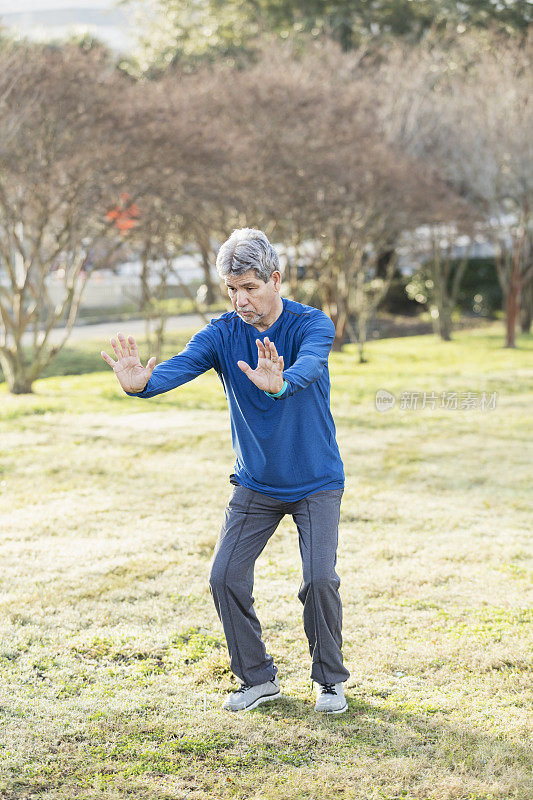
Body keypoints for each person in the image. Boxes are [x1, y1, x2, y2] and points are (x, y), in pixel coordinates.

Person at [100, 228, 350, 714]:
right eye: (232, 289)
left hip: (316, 479)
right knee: (225, 577)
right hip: (255, 482)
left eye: (250, 287)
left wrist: (280, 383)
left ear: (275, 279)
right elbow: (179, 366)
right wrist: (140, 385)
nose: (240, 299)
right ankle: (258, 679)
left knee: (319, 580)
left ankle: (329, 681)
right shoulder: (220, 332)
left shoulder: (311, 324)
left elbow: (312, 366)